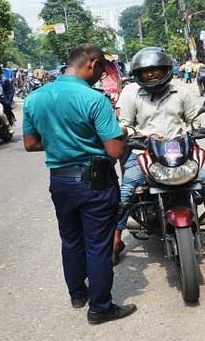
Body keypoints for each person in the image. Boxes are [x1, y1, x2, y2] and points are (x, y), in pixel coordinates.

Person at [22, 44, 137, 325]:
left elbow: (31, 143)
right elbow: (114, 151)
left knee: (71, 240)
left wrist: (61, 141)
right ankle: (100, 308)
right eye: (102, 69)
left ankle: (77, 294)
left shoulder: (35, 98)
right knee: (98, 244)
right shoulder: (94, 100)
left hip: (60, 180)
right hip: (94, 181)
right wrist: (117, 136)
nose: (102, 75)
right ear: (92, 63)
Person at [113, 47, 205, 262]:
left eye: (155, 69)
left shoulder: (181, 92)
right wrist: (135, 135)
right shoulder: (132, 94)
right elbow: (125, 124)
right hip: (144, 151)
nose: (150, 74)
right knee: (127, 191)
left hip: (180, 150)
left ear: (166, 70)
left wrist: (196, 129)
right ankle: (116, 238)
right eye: (145, 71)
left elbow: (193, 120)